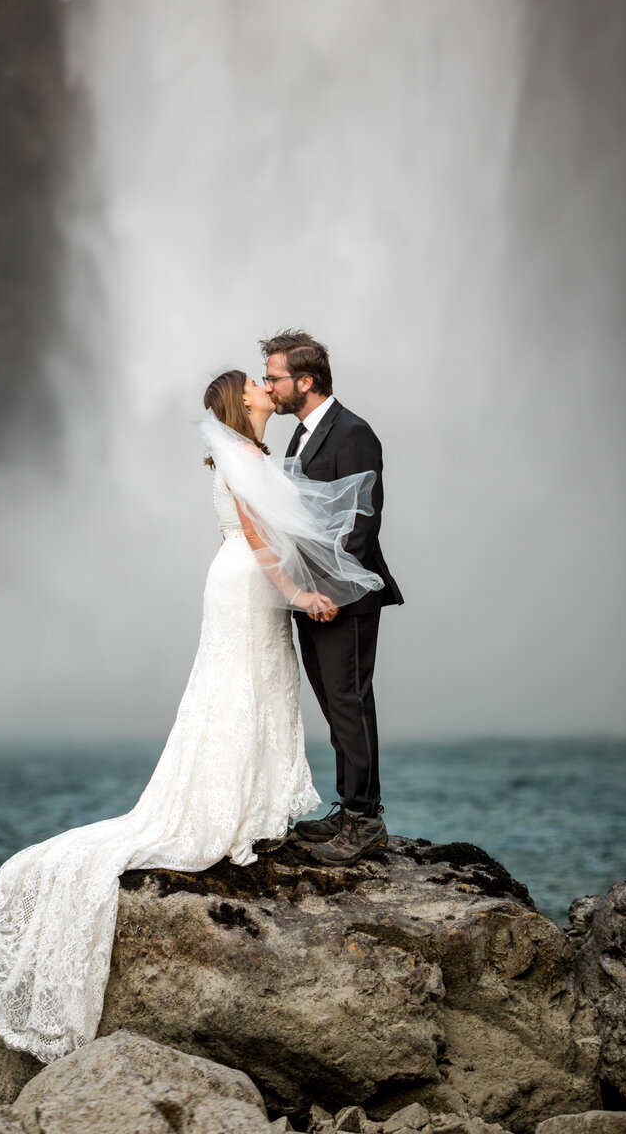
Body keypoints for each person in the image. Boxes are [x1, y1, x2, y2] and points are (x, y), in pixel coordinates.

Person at [0, 369, 383, 1063]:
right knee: (239, 694)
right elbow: (262, 537)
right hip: (251, 584)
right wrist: (303, 595)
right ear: (240, 404)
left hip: (238, 585)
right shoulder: (247, 457)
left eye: (271, 379)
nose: (266, 388)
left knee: (239, 694)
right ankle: (230, 813)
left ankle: (248, 806)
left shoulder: (251, 454)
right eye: (258, 386)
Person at [260, 330, 404, 867]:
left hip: (343, 595)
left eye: (274, 378)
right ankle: (350, 808)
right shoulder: (299, 437)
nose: (268, 387)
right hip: (311, 595)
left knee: (350, 702)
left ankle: (366, 820)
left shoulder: (354, 433)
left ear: (306, 380)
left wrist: (331, 591)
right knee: (333, 704)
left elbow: (363, 523)